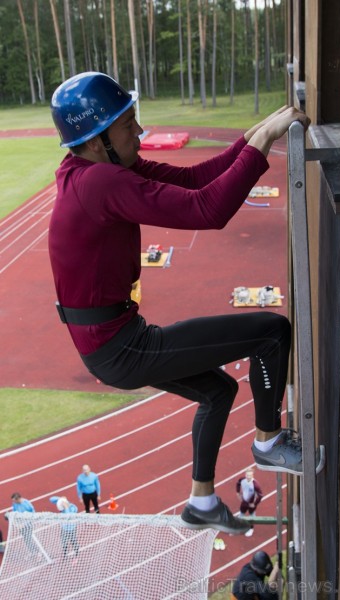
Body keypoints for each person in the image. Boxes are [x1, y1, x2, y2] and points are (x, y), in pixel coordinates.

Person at [49, 71, 310, 535]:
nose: (140, 132)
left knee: (219, 390)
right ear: (95, 141)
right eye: (129, 124)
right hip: (122, 348)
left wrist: (250, 139)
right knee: (272, 332)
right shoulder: (100, 183)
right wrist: (266, 141)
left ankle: (202, 501)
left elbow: (194, 180)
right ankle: (269, 444)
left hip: (114, 344)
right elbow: (207, 210)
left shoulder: (98, 171)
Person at [236, 468, 263, 537]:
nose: (248, 477)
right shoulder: (242, 480)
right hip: (244, 501)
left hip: (251, 503)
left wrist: (255, 503)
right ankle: (240, 526)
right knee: (241, 513)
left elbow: (260, 495)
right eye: (247, 475)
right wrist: (238, 492)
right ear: (245, 474)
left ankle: (251, 528)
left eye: (250, 475)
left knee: (252, 516)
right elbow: (238, 483)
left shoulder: (255, 484)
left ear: (252, 475)